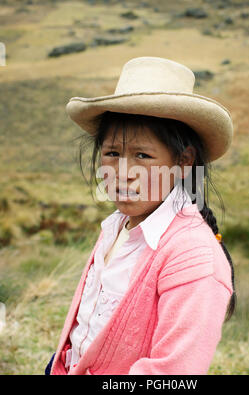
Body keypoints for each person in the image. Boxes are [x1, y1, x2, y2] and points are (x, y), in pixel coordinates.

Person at [47, 56, 236, 375]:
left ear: (183, 161)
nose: (122, 174)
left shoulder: (194, 259)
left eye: (143, 156)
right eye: (112, 153)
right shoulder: (117, 227)